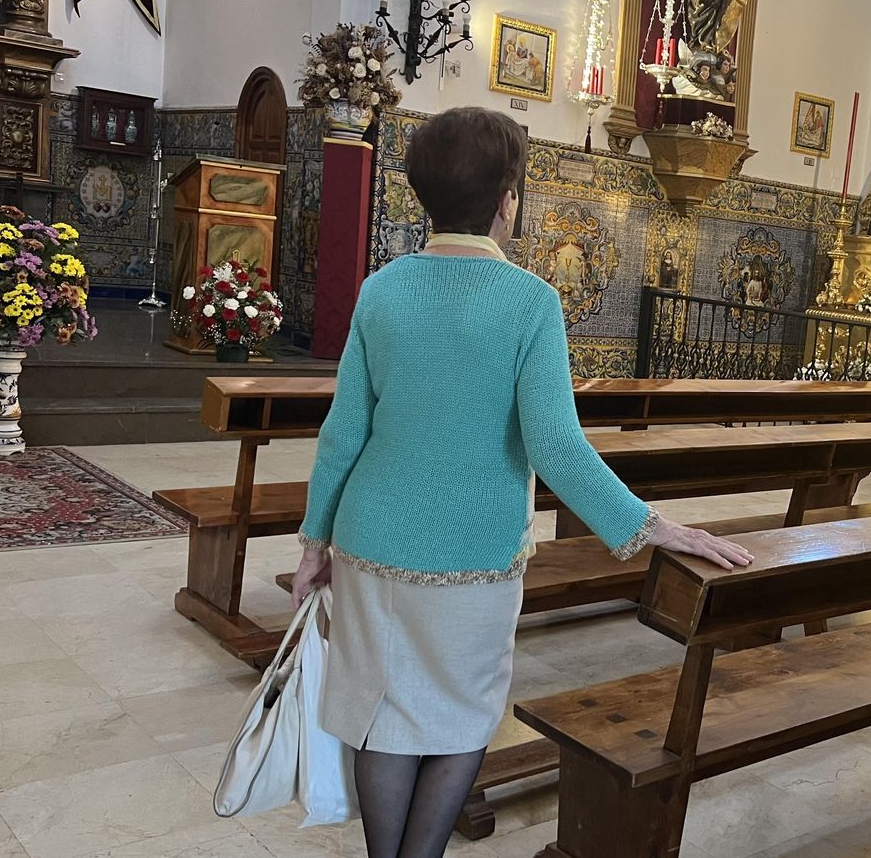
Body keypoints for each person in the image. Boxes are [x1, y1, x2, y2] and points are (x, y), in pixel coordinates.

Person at [288, 107, 751, 858]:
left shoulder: (381, 290)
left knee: (381, 710)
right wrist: (651, 526)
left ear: (422, 195)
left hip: (370, 539)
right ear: (509, 196)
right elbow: (556, 447)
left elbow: (345, 430)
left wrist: (315, 539)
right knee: (460, 718)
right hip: (473, 554)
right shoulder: (530, 301)